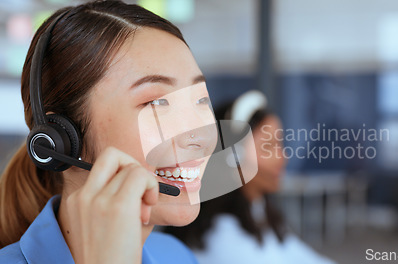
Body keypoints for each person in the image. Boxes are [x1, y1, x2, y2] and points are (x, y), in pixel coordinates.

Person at [0, 1, 216, 263]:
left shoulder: (175, 255)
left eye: (201, 99)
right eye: (157, 103)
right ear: (60, 141)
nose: (200, 137)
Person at [163, 90, 335, 264]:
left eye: (280, 144)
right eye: (269, 147)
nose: (282, 157)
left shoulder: (260, 213)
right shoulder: (223, 236)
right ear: (233, 156)